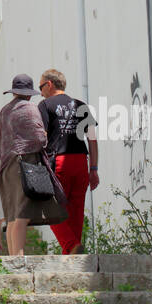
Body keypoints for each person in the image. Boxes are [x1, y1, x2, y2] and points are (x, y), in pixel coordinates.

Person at [0, 74, 68, 256]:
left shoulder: (4, 110)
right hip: (25, 164)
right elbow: (39, 138)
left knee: (11, 216)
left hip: (7, 167)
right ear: (29, 93)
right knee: (22, 215)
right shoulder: (30, 108)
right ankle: (18, 258)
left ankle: (13, 257)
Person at [38, 68, 98, 255]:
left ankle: (72, 245)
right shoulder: (81, 105)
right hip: (81, 161)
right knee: (76, 211)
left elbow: (42, 136)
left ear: (49, 84)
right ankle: (73, 254)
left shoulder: (45, 105)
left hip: (59, 162)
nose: (40, 92)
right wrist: (93, 168)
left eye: (41, 87)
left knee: (50, 208)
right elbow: (93, 139)